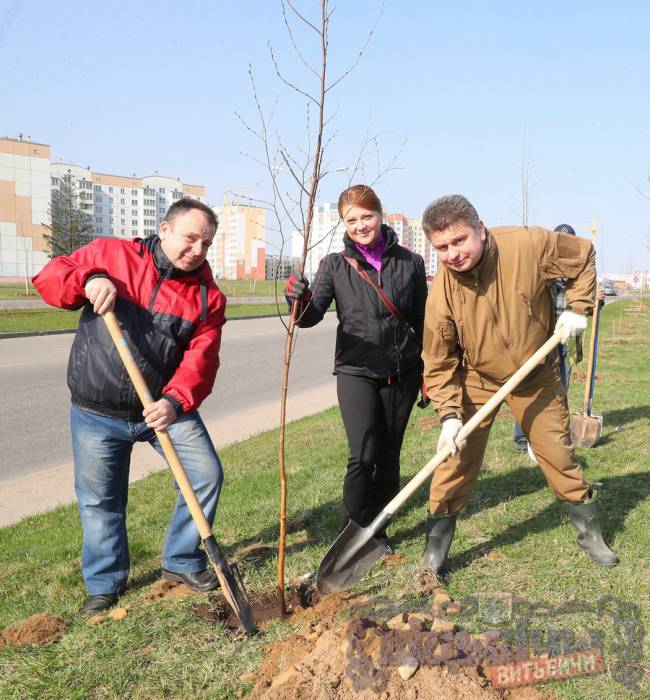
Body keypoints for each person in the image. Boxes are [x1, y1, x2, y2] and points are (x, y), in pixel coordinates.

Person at [33, 198, 227, 613]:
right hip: (96, 411)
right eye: (190, 238)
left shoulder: (208, 296)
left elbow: (201, 361)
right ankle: (104, 582)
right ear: (165, 229)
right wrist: (88, 279)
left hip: (163, 408)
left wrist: (175, 402)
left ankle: (181, 559)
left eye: (206, 244)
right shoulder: (111, 255)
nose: (197, 250)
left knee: (205, 474)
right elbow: (50, 277)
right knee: (101, 500)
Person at [419, 194, 618, 573]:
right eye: (441, 247)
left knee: (558, 455)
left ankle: (590, 533)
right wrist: (448, 415)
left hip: (534, 374)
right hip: (478, 378)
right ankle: (435, 550)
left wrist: (578, 308)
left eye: (459, 241)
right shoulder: (443, 288)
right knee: (453, 460)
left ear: (480, 229)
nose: (452, 254)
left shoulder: (528, 245)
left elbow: (583, 254)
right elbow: (439, 358)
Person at [284, 185, 428, 549]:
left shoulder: (411, 263)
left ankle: (378, 530)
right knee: (363, 454)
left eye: (367, 216)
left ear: (380, 214)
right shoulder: (334, 265)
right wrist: (297, 296)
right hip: (356, 370)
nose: (361, 225)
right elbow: (310, 316)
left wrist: (426, 371)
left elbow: (423, 320)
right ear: (343, 223)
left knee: (389, 457)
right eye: (352, 220)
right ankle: (354, 529)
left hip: (403, 371)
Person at [514, 223, 606, 460]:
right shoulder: (543, 271)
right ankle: (522, 437)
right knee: (528, 388)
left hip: (564, 342)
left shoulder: (579, 275)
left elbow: (587, 307)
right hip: (539, 341)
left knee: (559, 390)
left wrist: (598, 300)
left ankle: (554, 434)